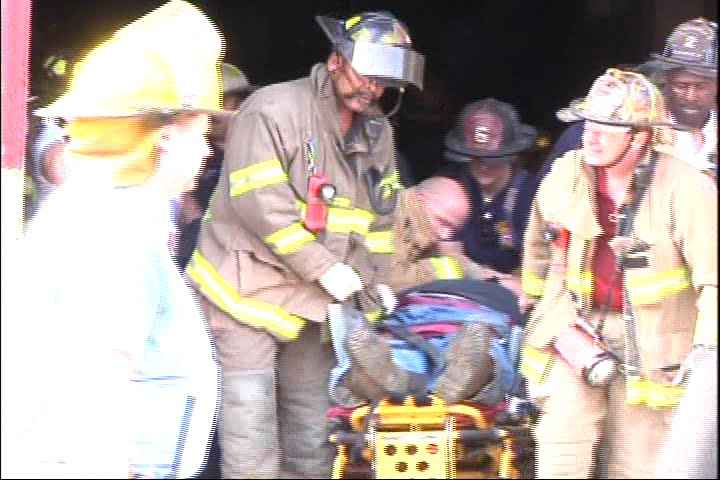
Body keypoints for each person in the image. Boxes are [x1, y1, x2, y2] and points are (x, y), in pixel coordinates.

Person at [185, 10, 425, 479]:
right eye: (366, 74)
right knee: (251, 436)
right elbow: (261, 204)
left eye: (383, 82)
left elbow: (379, 218)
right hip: (243, 292)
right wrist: (326, 268)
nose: (373, 89)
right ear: (337, 59)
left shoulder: (378, 133)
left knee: (312, 439)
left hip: (315, 306)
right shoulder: (272, 110)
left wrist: (374, 284)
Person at [1, 1, 222, 477]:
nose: (207, 149)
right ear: (164, 138)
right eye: (201, 133)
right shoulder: (113, 228)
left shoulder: (99, 209)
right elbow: (99, 382)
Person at [519, 68, 717, 478]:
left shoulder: (686, 188)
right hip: (576, 332)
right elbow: (539, 249)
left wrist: (705, 356)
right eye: (589, 123)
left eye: (607, 127)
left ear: (640, 136)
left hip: (654, 347)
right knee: (561, 458)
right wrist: (541, 310)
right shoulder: (565, 175)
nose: (590, 135)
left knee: (636, 467)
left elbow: (713, 279)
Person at [539, 18, 718, 180]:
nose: (690, 95)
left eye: (701, 87)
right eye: (682, 85)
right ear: (666, 81)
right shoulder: (625, 130)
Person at [436, 98, 539, 306]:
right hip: (459, 290)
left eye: (494, 159)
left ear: (511, 155)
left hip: (515, 295)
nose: (483, 166)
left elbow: (539, 257)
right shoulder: (449, 185)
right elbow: (448, 251)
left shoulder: (533, 194)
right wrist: (491, 279)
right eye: (474, 157)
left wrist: (519, 285)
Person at [175, 62, 259, 269]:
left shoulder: (260, 149)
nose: (211, 111)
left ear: (241, 103)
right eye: (205, 102)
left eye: (220, 100)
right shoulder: (185, 147)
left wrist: (194, 217)